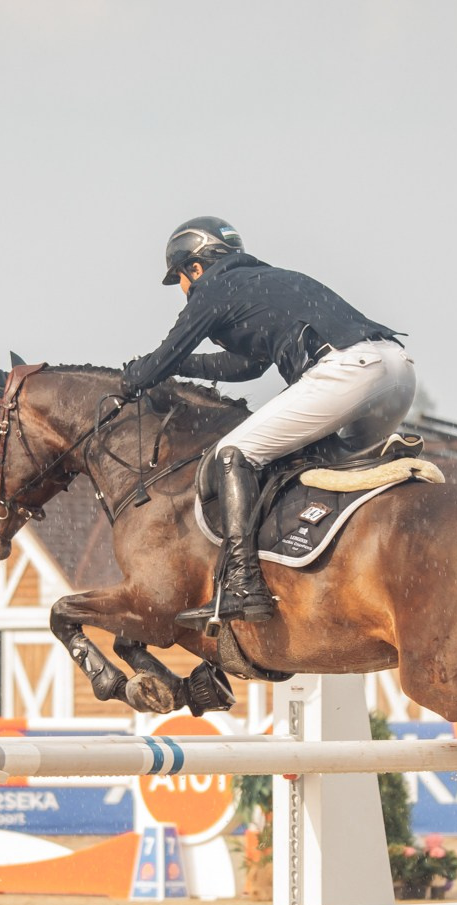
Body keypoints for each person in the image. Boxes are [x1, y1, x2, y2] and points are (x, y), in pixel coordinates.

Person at [121, 216, 414, 628]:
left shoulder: (213, 289)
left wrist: (132, 377)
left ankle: (244, 583)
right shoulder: (265, 280)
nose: (183, 291)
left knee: (233, 453)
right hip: (397, 371)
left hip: (347, 372)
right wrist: (178, 366)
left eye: (181, 279)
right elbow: (248, 367)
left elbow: (163, 355)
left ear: (197, 267)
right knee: (314, 464)